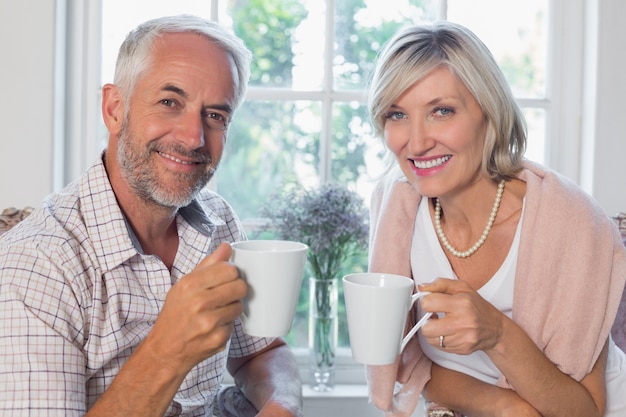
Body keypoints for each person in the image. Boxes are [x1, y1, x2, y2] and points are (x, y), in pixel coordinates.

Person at [0, 15, 302, 417]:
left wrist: (284, 402)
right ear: (114, 109)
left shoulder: (220, 223)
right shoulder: (36, 266)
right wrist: (168, 350)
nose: (194, 137)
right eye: (169, 102)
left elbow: (261, 352)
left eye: (215, 116)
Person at [365, 21, 626, 417]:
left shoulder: (572, 224)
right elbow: (411, 363)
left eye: (441, 111)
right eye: (397, 114)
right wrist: (503, 406)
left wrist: (498, 334)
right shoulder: (395, 205)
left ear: (488, 111)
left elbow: (585, 409)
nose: (415, 144)